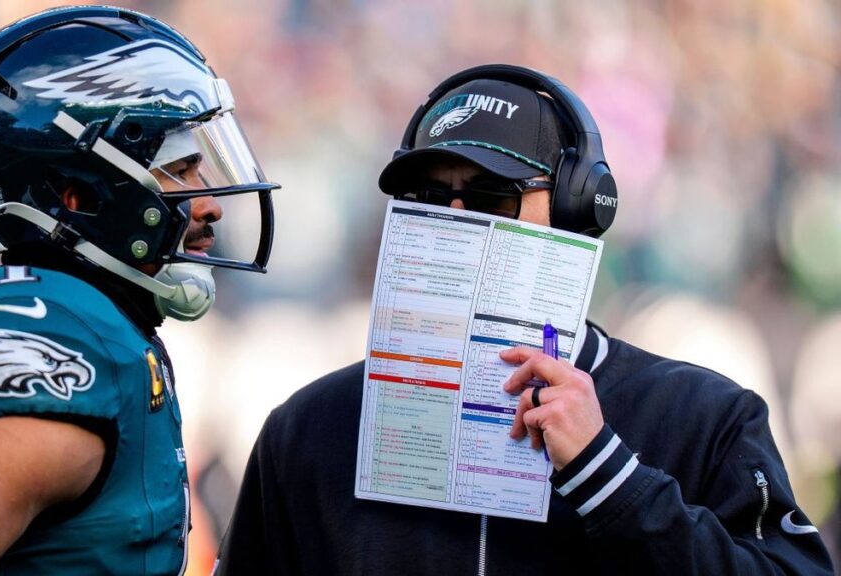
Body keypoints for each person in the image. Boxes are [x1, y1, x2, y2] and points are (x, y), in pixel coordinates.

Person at [214, 65, 834, 574]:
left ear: (576, 208)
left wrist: (609, 477)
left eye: (491, 196)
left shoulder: (703, 416)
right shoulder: (307, 430)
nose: (456, 218)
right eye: (427, 197)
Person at [0, 6, 277, 575]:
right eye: (180, 171)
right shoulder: (58, 327)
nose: (211, 201)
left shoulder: (102, 323)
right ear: (78, 196)